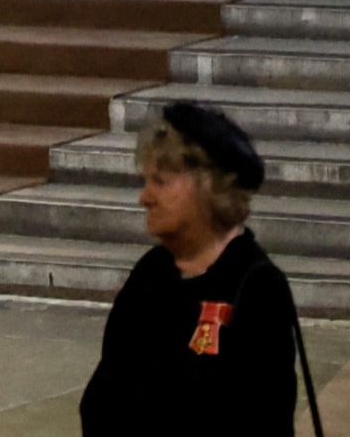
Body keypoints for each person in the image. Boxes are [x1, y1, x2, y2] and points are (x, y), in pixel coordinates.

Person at [77, 102, 296, 437]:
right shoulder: (151, 273)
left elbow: (262, 421)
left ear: (208, 186)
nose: (144, 197)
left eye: (160, 182)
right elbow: (102, 400)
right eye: (146, 180)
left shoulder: (257, 286)